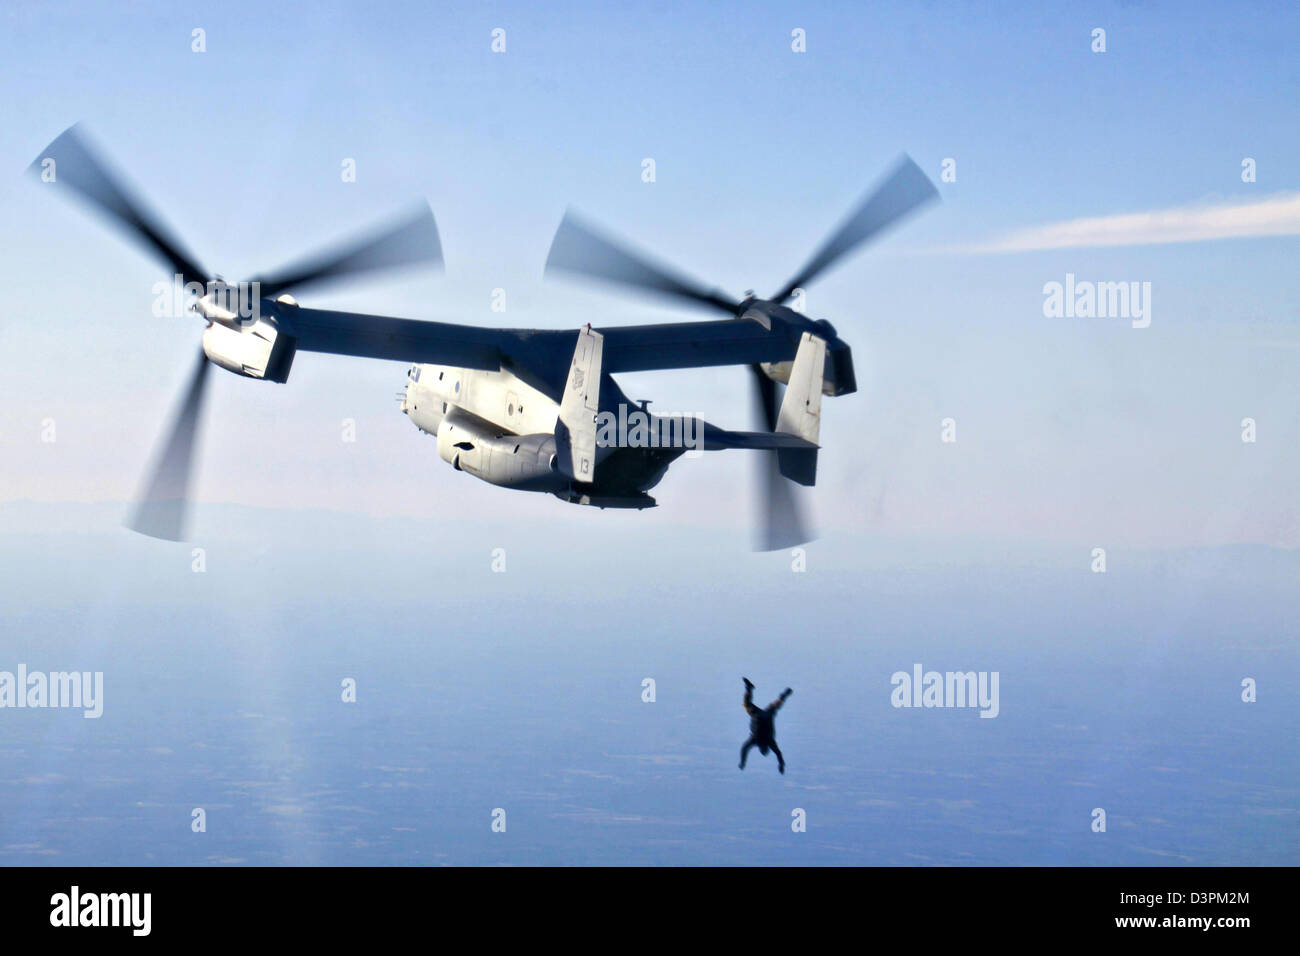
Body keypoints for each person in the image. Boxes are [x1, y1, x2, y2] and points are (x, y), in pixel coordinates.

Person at [739, 677, 792, 774]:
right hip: (762, 716)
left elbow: (744, 749)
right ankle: (750, 688)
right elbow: (778, 754)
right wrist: (781, 765)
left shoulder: (761, 741)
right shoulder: (766, 742)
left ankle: (750, 688)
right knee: (773, 706)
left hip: (761, 716)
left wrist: (743, 762)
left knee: (774, 706)